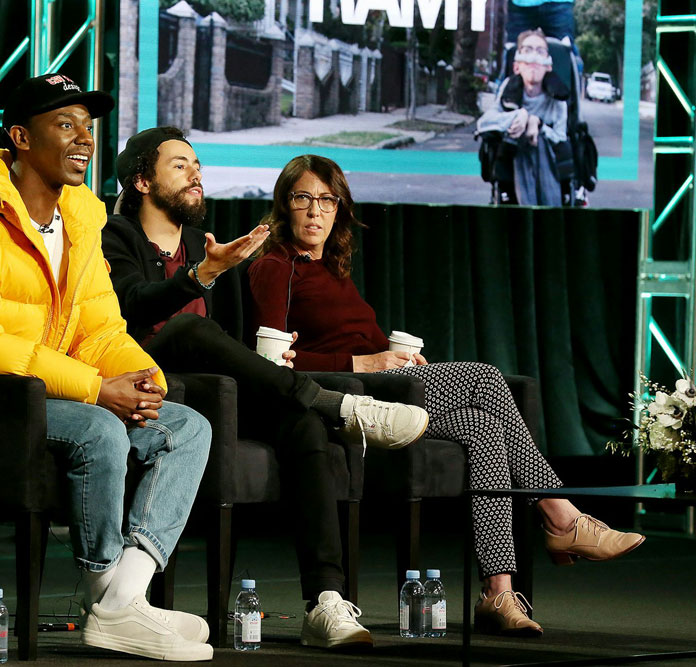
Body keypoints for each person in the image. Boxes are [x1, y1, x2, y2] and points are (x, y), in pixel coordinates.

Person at [0, 75, 214, 662]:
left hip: (38, 389)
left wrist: (141, 381)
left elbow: (100, 328)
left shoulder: (80, 221)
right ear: (20, 137)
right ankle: (107, 593)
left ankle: (119, 601)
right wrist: (95, 389)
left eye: (88, 126)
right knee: (100, 426)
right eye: (65, 125)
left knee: (186, 425)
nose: (84, 139)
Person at [247, 153, 646, 637]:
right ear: (284, 206)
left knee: (484, 427)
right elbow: (269, 365)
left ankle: (498, 593)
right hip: (342, 401)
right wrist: (363, 364)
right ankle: (561, 516)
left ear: (340, 210)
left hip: (383, 389)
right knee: (483, 377)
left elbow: (351, 339)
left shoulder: (330, 267)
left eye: (327, 200)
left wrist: (392, 359)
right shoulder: (274, 265)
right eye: (303, 198)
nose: (315, 211)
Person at [102, 126, 429, 651]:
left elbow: (227, 339)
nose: (196, 175)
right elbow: (131, 306)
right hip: (143, 383)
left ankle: (325, 601)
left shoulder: (199, 243)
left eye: (198, 166)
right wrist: (202, 274)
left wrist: (268, 358)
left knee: (301, 426)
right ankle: (335, 403)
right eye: (180, 166)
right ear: (142, 180)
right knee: (187, 329)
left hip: (215, 394)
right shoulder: (114, 235)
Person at [478, 29, 569, 206]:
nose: (534, 57)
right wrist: (521, 116)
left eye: (540, 51)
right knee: (517, 138)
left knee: (538, 141)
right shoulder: (508, 88)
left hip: (548, 168)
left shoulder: (558, 100)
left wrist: (538, 124)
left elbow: (561, 138)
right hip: (513, 165)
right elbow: (484, 124)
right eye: (527, 50)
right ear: (516, 66)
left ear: (548, 66)